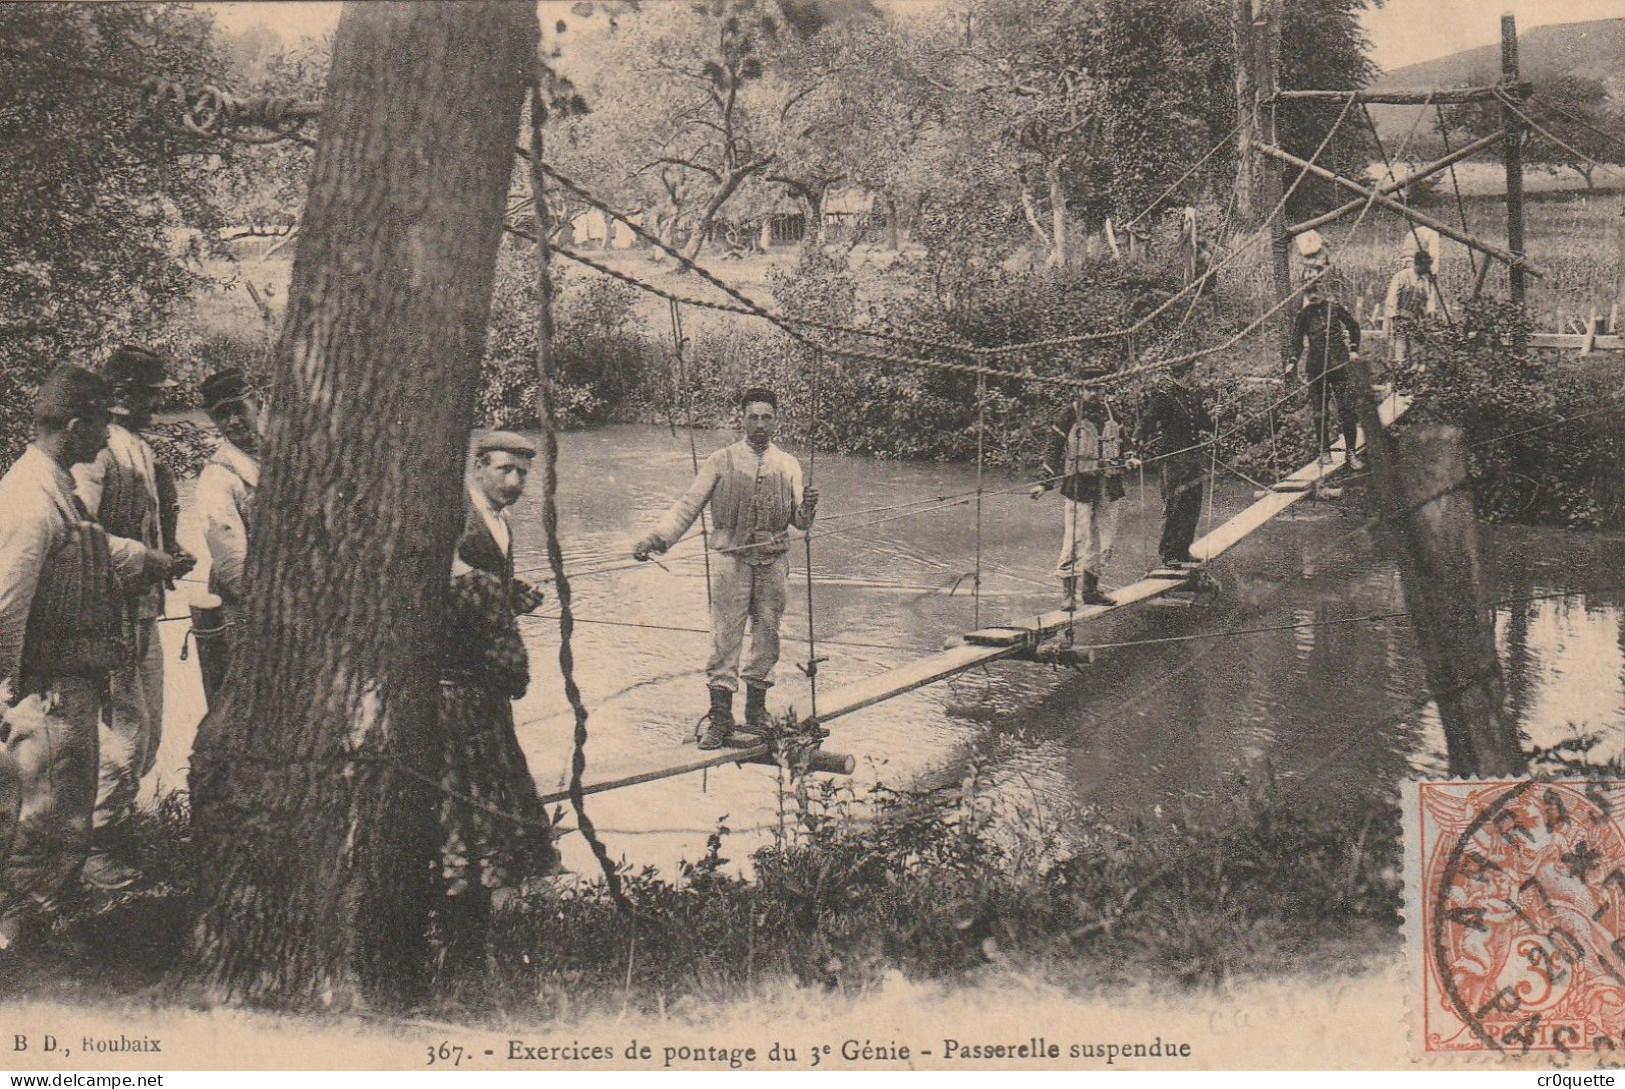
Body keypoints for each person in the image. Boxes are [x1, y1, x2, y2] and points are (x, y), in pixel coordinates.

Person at [0, 366, 183, 953]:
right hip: (45, 689)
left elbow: (91, 543)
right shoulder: (29, 501)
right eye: (100, 426)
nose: (106, 439)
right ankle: (22, 946)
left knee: (56, 816)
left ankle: (34, 927)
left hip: (64, 684)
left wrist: (146, 560)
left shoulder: (53, 486)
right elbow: (6, 604)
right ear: (75, 427)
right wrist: (6, 695)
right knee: (47, 822)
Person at [632, 387, 819, 749]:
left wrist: (810, 507)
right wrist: (656, 540)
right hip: (730, 562)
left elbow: (800, 522)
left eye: (767, 417)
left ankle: (756, 712)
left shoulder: (789, 464)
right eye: (753, 417)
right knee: (725, 637)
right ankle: (720, 718)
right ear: (742, 420)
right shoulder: (721, 460)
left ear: (777, 420)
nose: (760, 424)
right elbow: (688, 506)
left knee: (768, 636)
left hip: (774, 563)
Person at [72, 345, 196, 890]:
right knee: (120, 736)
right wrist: (149, 559)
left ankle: (114, 836)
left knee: (145, 733)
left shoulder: (139, 449)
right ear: (122, 395)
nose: (156, 404)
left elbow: (145, 528)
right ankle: (93, 851)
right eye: (151, 395)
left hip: (142, 610)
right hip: (108, 614)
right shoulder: (99, 454)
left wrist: (171, 553)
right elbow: (81, 534)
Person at [432, 533, 557, 986]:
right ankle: (469, 964)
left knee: (442, 837)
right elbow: (512, 672)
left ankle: (435, 955)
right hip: (473, 722)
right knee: (480, 833)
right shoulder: (477, 587)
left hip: (416, 719)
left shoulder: (394, 583)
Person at [193, 368, 264, 707]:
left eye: (239, 409)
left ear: (258, 403)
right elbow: (231, 564)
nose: (233, 421)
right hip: (246, 610)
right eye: (223, 415)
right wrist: (270, 606)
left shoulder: (284, 456)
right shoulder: (219, 475)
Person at [1028, 391, 1133, 608]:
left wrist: (1131, 458)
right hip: (1080, 485)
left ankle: (1091, 591)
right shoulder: (1069, 414)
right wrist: (1044, 483)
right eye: (1089, 387)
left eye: (1098, 386)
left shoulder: (1112, 413)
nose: (1094, 392)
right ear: (1081, 388)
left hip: (1109, 486)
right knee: (1076, 538)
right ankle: (1068, 596)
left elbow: (1125, 444)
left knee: (1105, 539)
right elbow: (1053, 449)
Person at [461, 431, 546, 615]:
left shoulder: (502, 518)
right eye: (505, 469)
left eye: (522, 473)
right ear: (478, 468)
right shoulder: (461, 517)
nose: (514, 482)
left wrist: (512, 594)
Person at [1138, 358, 1212, 568]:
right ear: (1186, 372)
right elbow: (1148, 420)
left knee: (1193, 504)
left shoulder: (1193, 397)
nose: (1196, 375)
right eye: (1194, 371)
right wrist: (1137, 439)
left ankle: (1183, 550)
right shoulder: (1164, 397)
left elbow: (1203, 422)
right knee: (1175, 504)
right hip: (1173, 461)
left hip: (1193, 461)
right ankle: (1169, 554)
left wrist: (1214, 424)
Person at [1289, 273, 1366, 472]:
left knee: (1347, 410)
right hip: (1316, 369)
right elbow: (1296, 341)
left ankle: (1351, 453)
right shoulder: (1304, 314)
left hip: (1339, 366)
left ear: (1322, 289)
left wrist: (1354, 349)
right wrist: (1292, 361)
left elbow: (1354, 327)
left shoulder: (1335, 308)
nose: (1313, 295)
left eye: (1316, 290)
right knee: (1319, 412)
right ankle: (1324, 451)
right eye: (1309, 291)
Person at [1383, 248, 1443, 370]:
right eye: (1426, 266)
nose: (1428, 270)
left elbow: (1429, 300)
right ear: (1418, 264)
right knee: (1399, 348)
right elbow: (1392, 297)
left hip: (1415, 320)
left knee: (1417, 349)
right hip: (1399, 317)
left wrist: (1431, 312)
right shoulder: (1402, 276)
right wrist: (1395, 317)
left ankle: (1415, 371)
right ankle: (1397, 373)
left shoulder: (1424, 281)